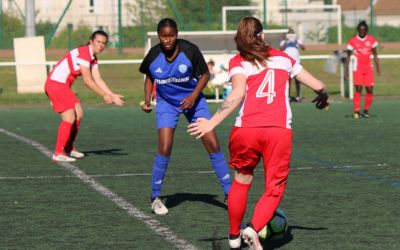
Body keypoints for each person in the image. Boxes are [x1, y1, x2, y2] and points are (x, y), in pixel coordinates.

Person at [188, 17, 329, 250]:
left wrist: (212, 122)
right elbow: (319, 85)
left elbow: (238, 92)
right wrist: (323, 96)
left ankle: (234, 238)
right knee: (273, 188)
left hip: (246, 131)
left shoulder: (238, 60)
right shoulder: (284, 58)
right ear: (262, 35)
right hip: (277, 131)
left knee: (241, 181)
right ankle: (253, 229)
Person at [139, 18, 231, 215]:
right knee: (164, 147)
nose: (167, 39)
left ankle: (229, 193)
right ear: (158, 36)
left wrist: (193, 96)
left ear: (177, 34)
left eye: (171, 35)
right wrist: (147, 100)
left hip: (194, 102)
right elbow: (149, 76)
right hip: (167, 104)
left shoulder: (190, 51)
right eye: (163, 36)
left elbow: (205, 75)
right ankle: (155, 197)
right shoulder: (154, 55)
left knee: (212, 143)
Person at [45, 30, 124, 162]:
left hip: (62, 85)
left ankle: (68, 149)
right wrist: (104, 95)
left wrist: (112, 94)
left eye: (104, 43)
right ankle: (58, 152)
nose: (101, 45)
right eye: (98, 42)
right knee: (69, 116)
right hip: (56, 84)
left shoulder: (93, 58)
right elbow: (87, 81)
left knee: (79, 114)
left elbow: (98, 79)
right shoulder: (84, 52)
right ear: (91, 41)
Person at [345, 20, 380, 119]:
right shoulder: (353, 41)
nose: (362, 32)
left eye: (364, 30)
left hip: (368, 69)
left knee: (369, 90)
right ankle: (356, 111)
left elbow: (375, 55)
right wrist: (346, 71)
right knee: (359, 89)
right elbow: (348, 57)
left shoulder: (371, 40)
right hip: (358, 69)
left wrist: (378, 68)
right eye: (360, 30)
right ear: (358, 30)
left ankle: (365, 110)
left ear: (366, 30)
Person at [280, 28, 305, 102]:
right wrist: (287, 41)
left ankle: (298, 96)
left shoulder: (297, 41)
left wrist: (296, 41)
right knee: (288, 80)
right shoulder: (284, 42)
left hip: (296, 62)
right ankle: (288, 97)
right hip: (287, 63)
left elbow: (303, 48)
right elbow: (281, 49)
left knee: (298, 80)